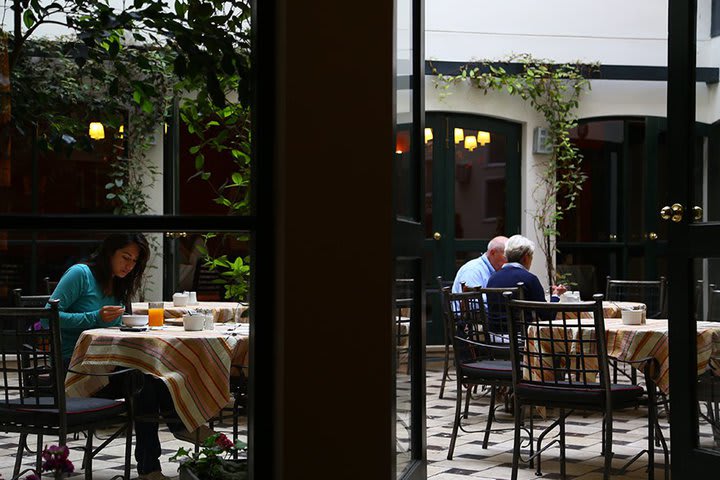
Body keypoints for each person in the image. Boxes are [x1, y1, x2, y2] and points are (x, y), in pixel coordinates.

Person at [49, 233, 212, 480]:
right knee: (143, 381)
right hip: (75, 366)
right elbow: (46, 316)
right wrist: (94, 317)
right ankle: (171, 439)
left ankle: (157, 459)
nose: (129, 265)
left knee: (151, 373)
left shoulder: (118, 284)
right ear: (109, 253)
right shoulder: (80, 274)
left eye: (134, 261)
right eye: (125, 257)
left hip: (109, 363)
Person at [486, 234, 566, 302]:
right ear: (526, 257)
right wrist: (556, 295)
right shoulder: (529, 279)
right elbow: (547, 315)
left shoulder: (492, 279)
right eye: (531, 256)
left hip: (493, 321)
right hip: (521, 321)